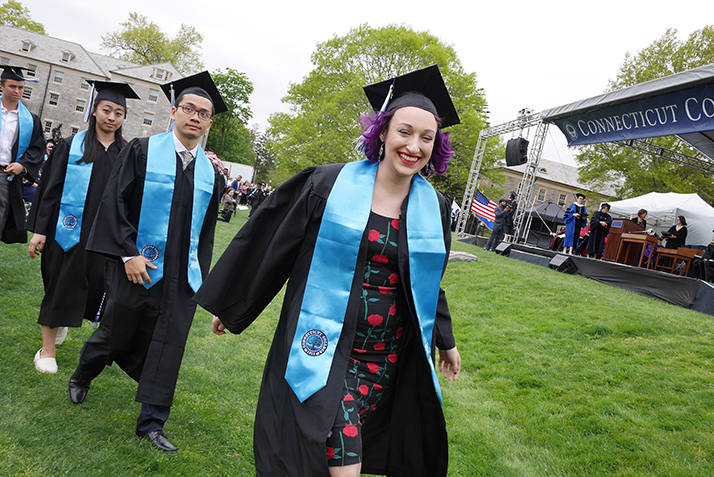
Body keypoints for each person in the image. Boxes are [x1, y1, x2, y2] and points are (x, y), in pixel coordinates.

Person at [194, 65, 462, 477]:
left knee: (336, 447)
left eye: (427, 138)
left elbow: (427, 282)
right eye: (405, 132)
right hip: (324, 347)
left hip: (384, 355)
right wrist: (233, 305)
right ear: (383, 133)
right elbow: (274, 247)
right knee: (342, 451)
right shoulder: (328, 185)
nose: (414, 146)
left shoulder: (435, 208)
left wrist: (445, 340)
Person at [66, 71, 226, 454]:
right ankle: (84, 371)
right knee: (114, 332)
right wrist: (128, 253)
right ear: (173, 112)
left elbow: (205, 235)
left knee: (169, 346)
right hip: (136, 266)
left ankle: (152, 423)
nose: (195, 117)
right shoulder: (140, 150)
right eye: (189, 109)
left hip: (180, 277)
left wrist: (199, 277)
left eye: (203, 114)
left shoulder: (211, 174)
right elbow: (114, 203)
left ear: (208, 123)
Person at [27, 82, 140, 374]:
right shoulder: (71, 145)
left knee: (97, 289)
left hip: (106, 237)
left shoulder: (128, 154)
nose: (112, 117)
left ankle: (67, 325)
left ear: (124, 117)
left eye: (119, 112)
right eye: (106, 110)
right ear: (94, 111)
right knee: (60, 285)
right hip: (67, 231)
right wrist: (40, 229)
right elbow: (49, 190)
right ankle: (47, 349)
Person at [0, 65, 45, 245]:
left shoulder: (30, 120)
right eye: (13, 86)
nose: (17, 91)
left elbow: (37, 148)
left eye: (21, 87)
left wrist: (23, 165)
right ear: (1, 85)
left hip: (5, 176)